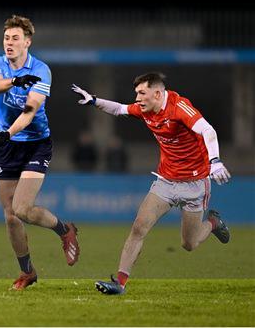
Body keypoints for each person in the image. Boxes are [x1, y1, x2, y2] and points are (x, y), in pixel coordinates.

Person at [71, 72, 231, 295]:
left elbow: (207, 130)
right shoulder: (146, 109)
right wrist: (95, 101)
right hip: (165, 181)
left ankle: (213, 223)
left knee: (189, 244)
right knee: (139, 227)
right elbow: (119, 109)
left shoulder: (179, 107)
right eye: (136, 93)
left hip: (195, 183)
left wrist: (215, 161)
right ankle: (120, 283)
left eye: (141, 93)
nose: (137, 98)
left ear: (157, 93)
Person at [0, 15, 80, 290]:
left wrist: (8, 133)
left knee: (22, 208)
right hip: (6, 146)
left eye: (15, 38)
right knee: (10, 215)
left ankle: (65, 230)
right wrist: (15, 81)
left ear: (28, 42)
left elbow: (29, 111)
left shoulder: (41, 69)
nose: (9, 43)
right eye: (6, 38)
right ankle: (28, 272)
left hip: (35, 142)